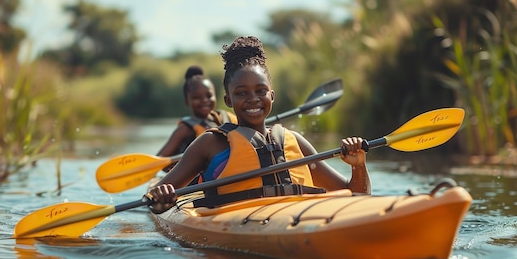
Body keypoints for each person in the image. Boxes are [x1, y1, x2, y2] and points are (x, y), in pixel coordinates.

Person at [147, 36, 370, 213]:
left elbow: (357, 194)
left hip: (298, 216)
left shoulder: (296, 143)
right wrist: (161, 199)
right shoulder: (209, 143)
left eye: (260, 91)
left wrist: (358, 165)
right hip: (234, 224)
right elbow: (154, 199)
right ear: (228, 101)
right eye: (241, 93)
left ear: (272, 95)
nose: (253, 98)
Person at [155, 65, 237, 157]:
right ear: (187, 101)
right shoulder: (185, 129)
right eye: (197, 97)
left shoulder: (228, 117)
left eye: (209, 95)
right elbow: (161, 157)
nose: (205, 100)